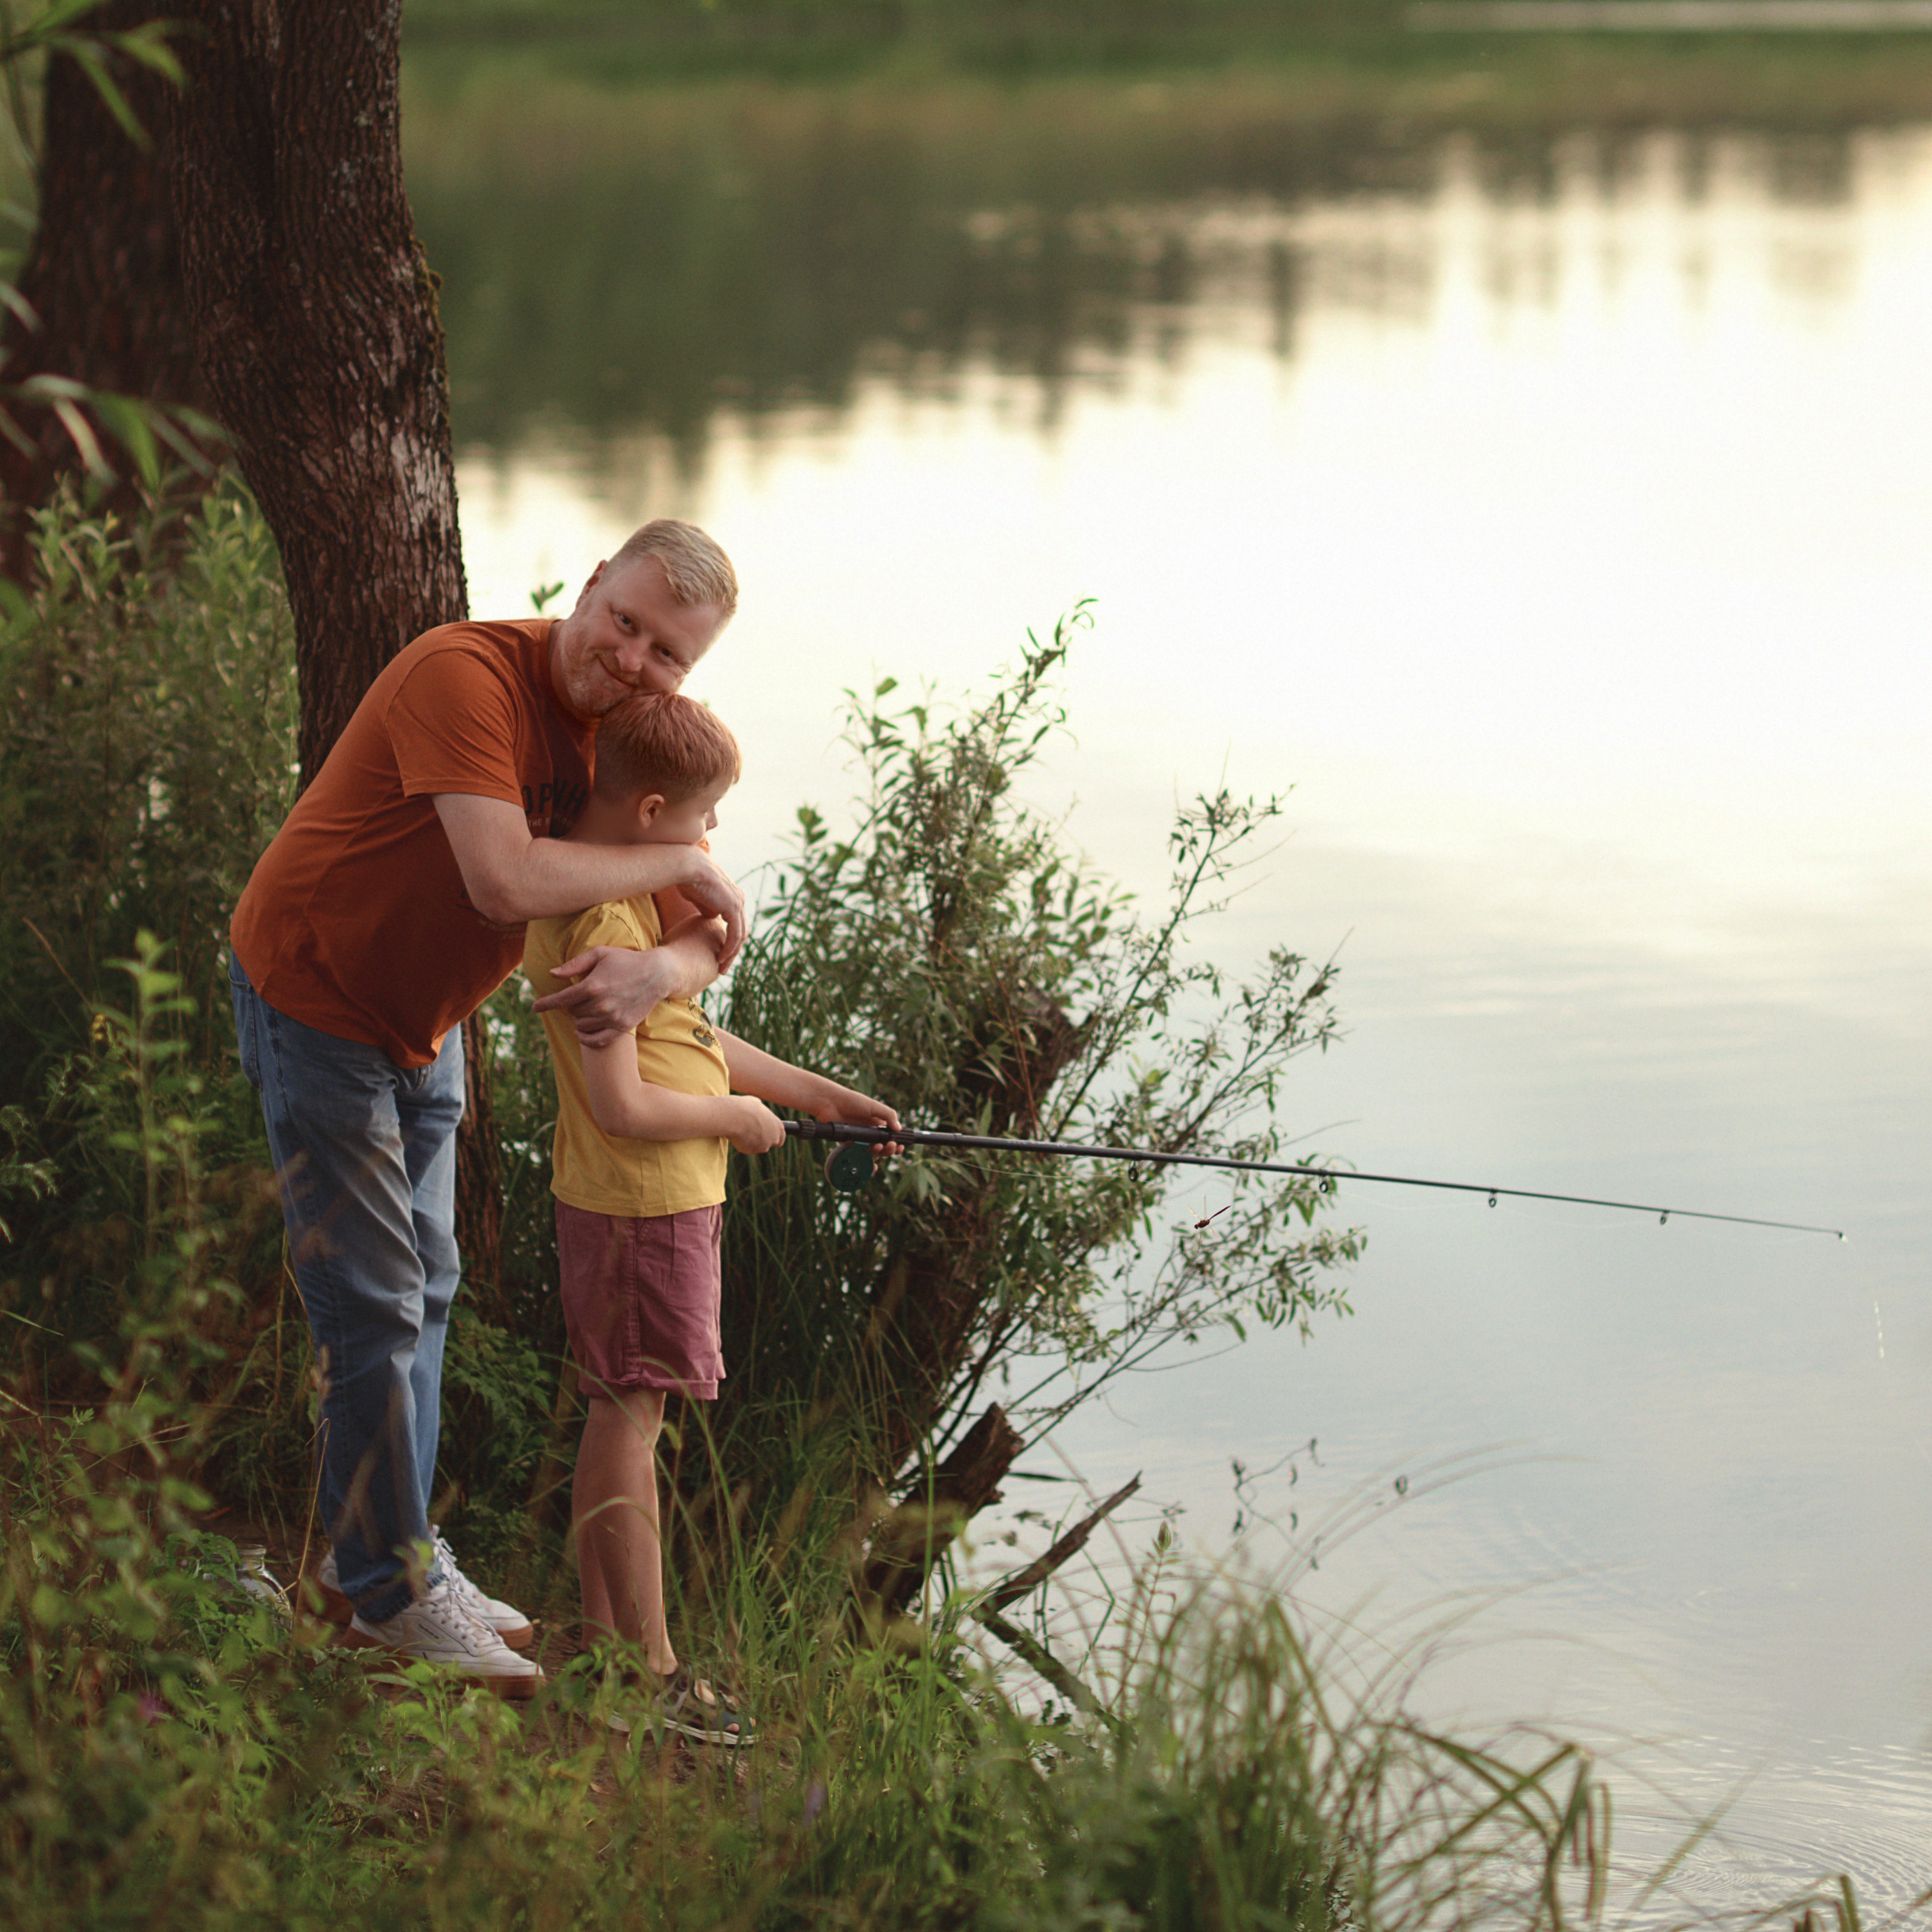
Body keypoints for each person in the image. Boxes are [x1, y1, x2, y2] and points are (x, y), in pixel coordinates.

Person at [228, 520, 749, 1696]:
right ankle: (389, 1598)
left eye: (667, 654)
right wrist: (682, 875)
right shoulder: (465, 675)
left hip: (422, 1020)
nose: (630, 661)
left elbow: (711, 916)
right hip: (317, 994)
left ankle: (390, 1562)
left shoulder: (621, 734)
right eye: (624, 622)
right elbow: (507, 879)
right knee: (374, 1304)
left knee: (430, 1284)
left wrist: (666, 966)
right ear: (593, 579)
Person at [522, 691, 898, 1745]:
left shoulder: (630, 908)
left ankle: (608, 1647)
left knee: (621, 1410)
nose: (713, 836)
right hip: (642, 1204)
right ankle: (647, 1670)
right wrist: (736, 1121)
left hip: (648, 1205)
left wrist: (815, 1094)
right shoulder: (601, 925)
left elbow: (685, 1032)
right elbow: (623, 1105)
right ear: (649, 812)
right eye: (703, 816)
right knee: (629, 1418)